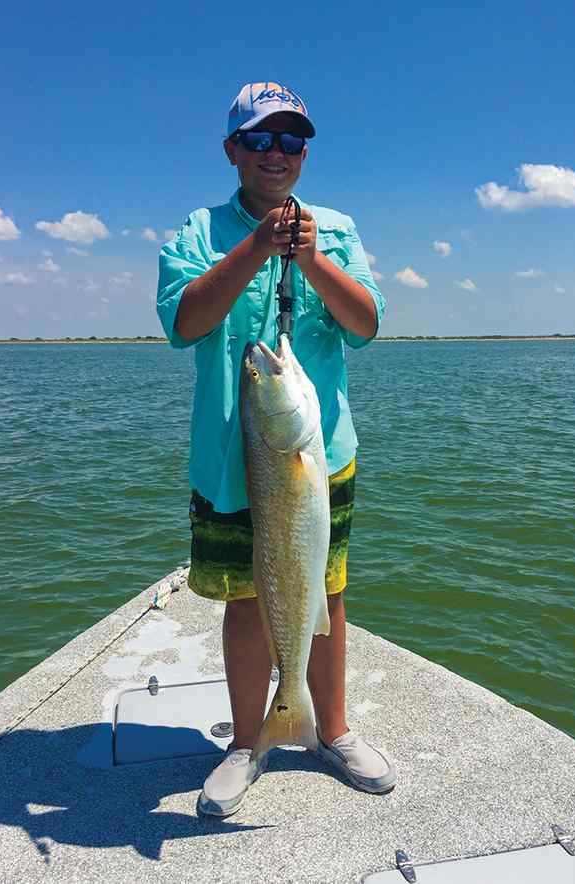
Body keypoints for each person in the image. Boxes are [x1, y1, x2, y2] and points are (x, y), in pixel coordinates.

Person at [156, 82, 396, 817]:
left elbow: (365, 323)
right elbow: (185, 323)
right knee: (245, 602)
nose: (276, 155)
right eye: (259, 140)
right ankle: (247, 742)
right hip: (232, 464)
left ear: (305, 153)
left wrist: (316, 259)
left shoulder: (339, 227)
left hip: (316, 457)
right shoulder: (199, 230)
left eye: (291, 141)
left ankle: (332, 730)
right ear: (233, 150)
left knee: (324, 594)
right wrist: (257, 247)